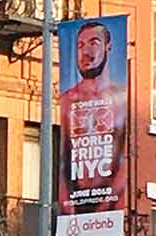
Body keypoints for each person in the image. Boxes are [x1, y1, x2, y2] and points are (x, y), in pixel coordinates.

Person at [58, 20, 128, 218]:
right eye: (80, 46)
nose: (85, 52)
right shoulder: (66, 101)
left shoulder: (122, 99)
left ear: (109, 47)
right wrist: (67, 209)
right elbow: (63, 162)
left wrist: (107, 205)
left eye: (94, 43)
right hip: (76, 206)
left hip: (111, 207)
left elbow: (125, 161)